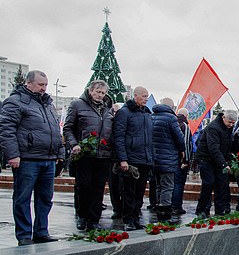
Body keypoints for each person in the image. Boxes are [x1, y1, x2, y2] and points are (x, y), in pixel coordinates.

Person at [0, 70, 64, 246]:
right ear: (28, 84)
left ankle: (41, 231)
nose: (44, 88)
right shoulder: (15, 102)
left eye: (45, 85)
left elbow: (55, 132)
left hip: (48, 159)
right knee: (23, 198)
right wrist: (13, 155)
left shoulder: (48, 104)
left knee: (45, 198)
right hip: (27, 159)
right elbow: (6, 130)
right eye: (40, 85)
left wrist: (59, 154)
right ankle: (24, 235)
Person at [64, 80, 114, 231]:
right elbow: (68, 128)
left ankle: (94, 219)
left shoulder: (108, 108)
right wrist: (74, 144)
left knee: (98, 188)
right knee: (84, 186)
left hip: (103, 154)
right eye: (97, 92)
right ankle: (82, 216)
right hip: (84, 153)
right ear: (90, 91)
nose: (100, 95)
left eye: (103, 93)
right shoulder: (77, 105)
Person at [113, 86, 153, 231]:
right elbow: (119, 137)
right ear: (135, 96)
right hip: (131, 160)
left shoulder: (147, 114)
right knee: (129, 192)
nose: (146, 99)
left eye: (147, 96)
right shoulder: (125, 112)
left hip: (145, 159)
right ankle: (128, 219)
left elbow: (150, 138)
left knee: (139, 193)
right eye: (143, 96)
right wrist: (123, 159)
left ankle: (136, 218)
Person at [195, 110, 237, 217]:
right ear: (223, 118)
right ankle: (202, 210)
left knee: (221, 184)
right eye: (229, 122)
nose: (231, 125)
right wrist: (224, 164)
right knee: (208, 184)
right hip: (206, 159)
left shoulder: (228, 128)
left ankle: (220, 210)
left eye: (233, 123)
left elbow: (227, 145)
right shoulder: (213, 127)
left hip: (220, 159)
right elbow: (213, 148)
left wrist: (229, 159)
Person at [151, 98, 185, 222]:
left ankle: (158, 207)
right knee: (167, 186)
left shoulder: (152, 116)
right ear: (171, 107)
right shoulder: (171, 118)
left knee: (159, 185)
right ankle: (164, 213)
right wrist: (182, 150)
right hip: (168, 157)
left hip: (154, 157)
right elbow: (179, 138)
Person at [171, 107, 193, 215]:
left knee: (169, 184)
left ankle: (168, 205)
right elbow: (187, 145)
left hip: (170, 159)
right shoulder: (185, 126)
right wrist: (186, 160)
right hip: (180, 160)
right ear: (186, 116)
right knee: (179, 184)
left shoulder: (172, 123)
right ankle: (176, 206)